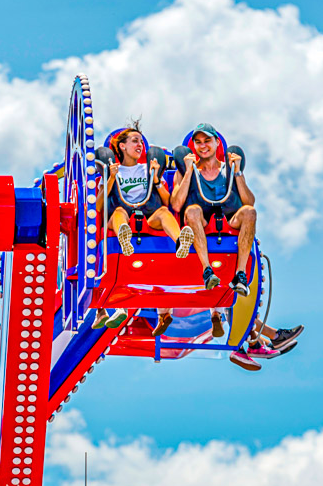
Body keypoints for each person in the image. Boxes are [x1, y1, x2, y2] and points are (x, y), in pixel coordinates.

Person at [92, 121, 194, 331]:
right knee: (119, 213)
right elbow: (100, 207)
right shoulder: (114, 171)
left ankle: (180, 243)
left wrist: (156, 179)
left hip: (148, 216)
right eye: (134, 141)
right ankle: (123, 237)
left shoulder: (147, 168)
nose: (139, 145)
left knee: (164, 213)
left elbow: (167, 202)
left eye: (140, 141)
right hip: (121, 216)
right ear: (122, 146)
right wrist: (110, 178)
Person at [170, 123, 255, 296]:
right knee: (192, 210)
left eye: (207, 141)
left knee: (249, 212)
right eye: (199, 142)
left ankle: (240, 274)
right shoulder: (186, 170)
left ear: (217, 143)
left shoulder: (228, 168)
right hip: (202, 220)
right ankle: (207, 270)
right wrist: (188, 172)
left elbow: (250, 202)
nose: (203, 146)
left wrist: (237, 172)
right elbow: (177, 204)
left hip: (229, 219)